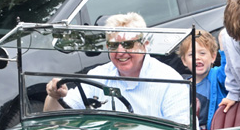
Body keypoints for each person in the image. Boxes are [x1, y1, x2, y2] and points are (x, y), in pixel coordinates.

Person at [44, 12, 190, 123]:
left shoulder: (169, 81)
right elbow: (54, 120)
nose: (120, 52)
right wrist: (54, 96)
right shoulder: (98, 75)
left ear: (145, 45)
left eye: (128, 44)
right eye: (113, 45)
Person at [179, 29, 226, 130]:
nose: (197, 57)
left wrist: (223, 48)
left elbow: (228, 71)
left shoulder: (216, 76)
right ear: (184, 61)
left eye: (202, 53)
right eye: (191, 55)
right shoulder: (182, 85)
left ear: (213, 57)